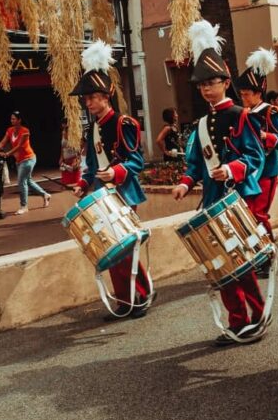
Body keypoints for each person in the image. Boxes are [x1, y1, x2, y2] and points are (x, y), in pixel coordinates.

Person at [172, 20, 267, 345]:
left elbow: (255, 157)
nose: (206, 89)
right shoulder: (201, 124)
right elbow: (196, 163)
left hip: (238, 199)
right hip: (213, 202)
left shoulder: (241, 115)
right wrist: (185, 183)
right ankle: (237, 319)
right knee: (221, 264)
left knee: (240, 261)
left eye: (212, 83)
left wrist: (232, 170)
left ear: (225, 82)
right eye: (201, 86)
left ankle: (256, 316)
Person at [71, 40, 154, 319]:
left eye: (93, 97)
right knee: (113, 249)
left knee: (124, 249)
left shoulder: (123, 123)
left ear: (106, 96)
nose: (89, 102)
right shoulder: (94, 127)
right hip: (101, 194)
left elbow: (136, 161)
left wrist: (116, 173)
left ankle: (137, 297)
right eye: (86, 99)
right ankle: (129, 299)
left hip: (123, 193)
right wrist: (83, 183)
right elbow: (93, 163)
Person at [235, 47, 278, 279]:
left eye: (248, 93)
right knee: (247, 215)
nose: (244, 97)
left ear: (258, 93)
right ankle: (257, 252)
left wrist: (267, 137)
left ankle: (267, 255)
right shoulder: (243, 114)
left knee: (258, 214)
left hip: (266, 170)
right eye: (243, 93)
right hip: (249, 171)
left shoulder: (270, 112)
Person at [0, 111, 50, 215]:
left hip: (28, 159)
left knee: (21, 182)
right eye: (11, 118)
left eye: (14, 119)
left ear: (19, 120)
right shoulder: (10, 130)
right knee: (28, 181)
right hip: (19, 160)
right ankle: (45, 195)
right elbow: (3, 142)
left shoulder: (25, 131)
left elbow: (20, 146)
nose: (12, 120)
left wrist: (8, 153)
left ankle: (24, 206)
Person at [59, 119, 82, 188]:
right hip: (65, 157)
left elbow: (78, 147)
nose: (64, 128)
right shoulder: (63, 133)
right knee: (66, 179)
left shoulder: (74, 134)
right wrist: (61, 157)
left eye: (65, 127)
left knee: (74, 180)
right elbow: (62, 147)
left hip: (73, 156)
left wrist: (78, 158)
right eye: (63, 127)